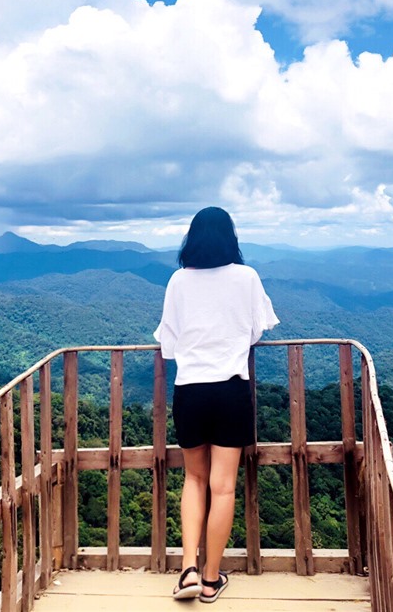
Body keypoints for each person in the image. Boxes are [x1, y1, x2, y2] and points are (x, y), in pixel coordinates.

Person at [154, 206, 280, 603]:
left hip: (190, 390)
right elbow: (256, 330)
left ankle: (187, 570)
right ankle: (211, 580)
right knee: (222, 488)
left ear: (191, 239)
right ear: (231, 238)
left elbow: (168, 345)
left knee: (194, 479)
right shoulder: (247, 277)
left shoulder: (178, 281)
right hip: (231, 389)